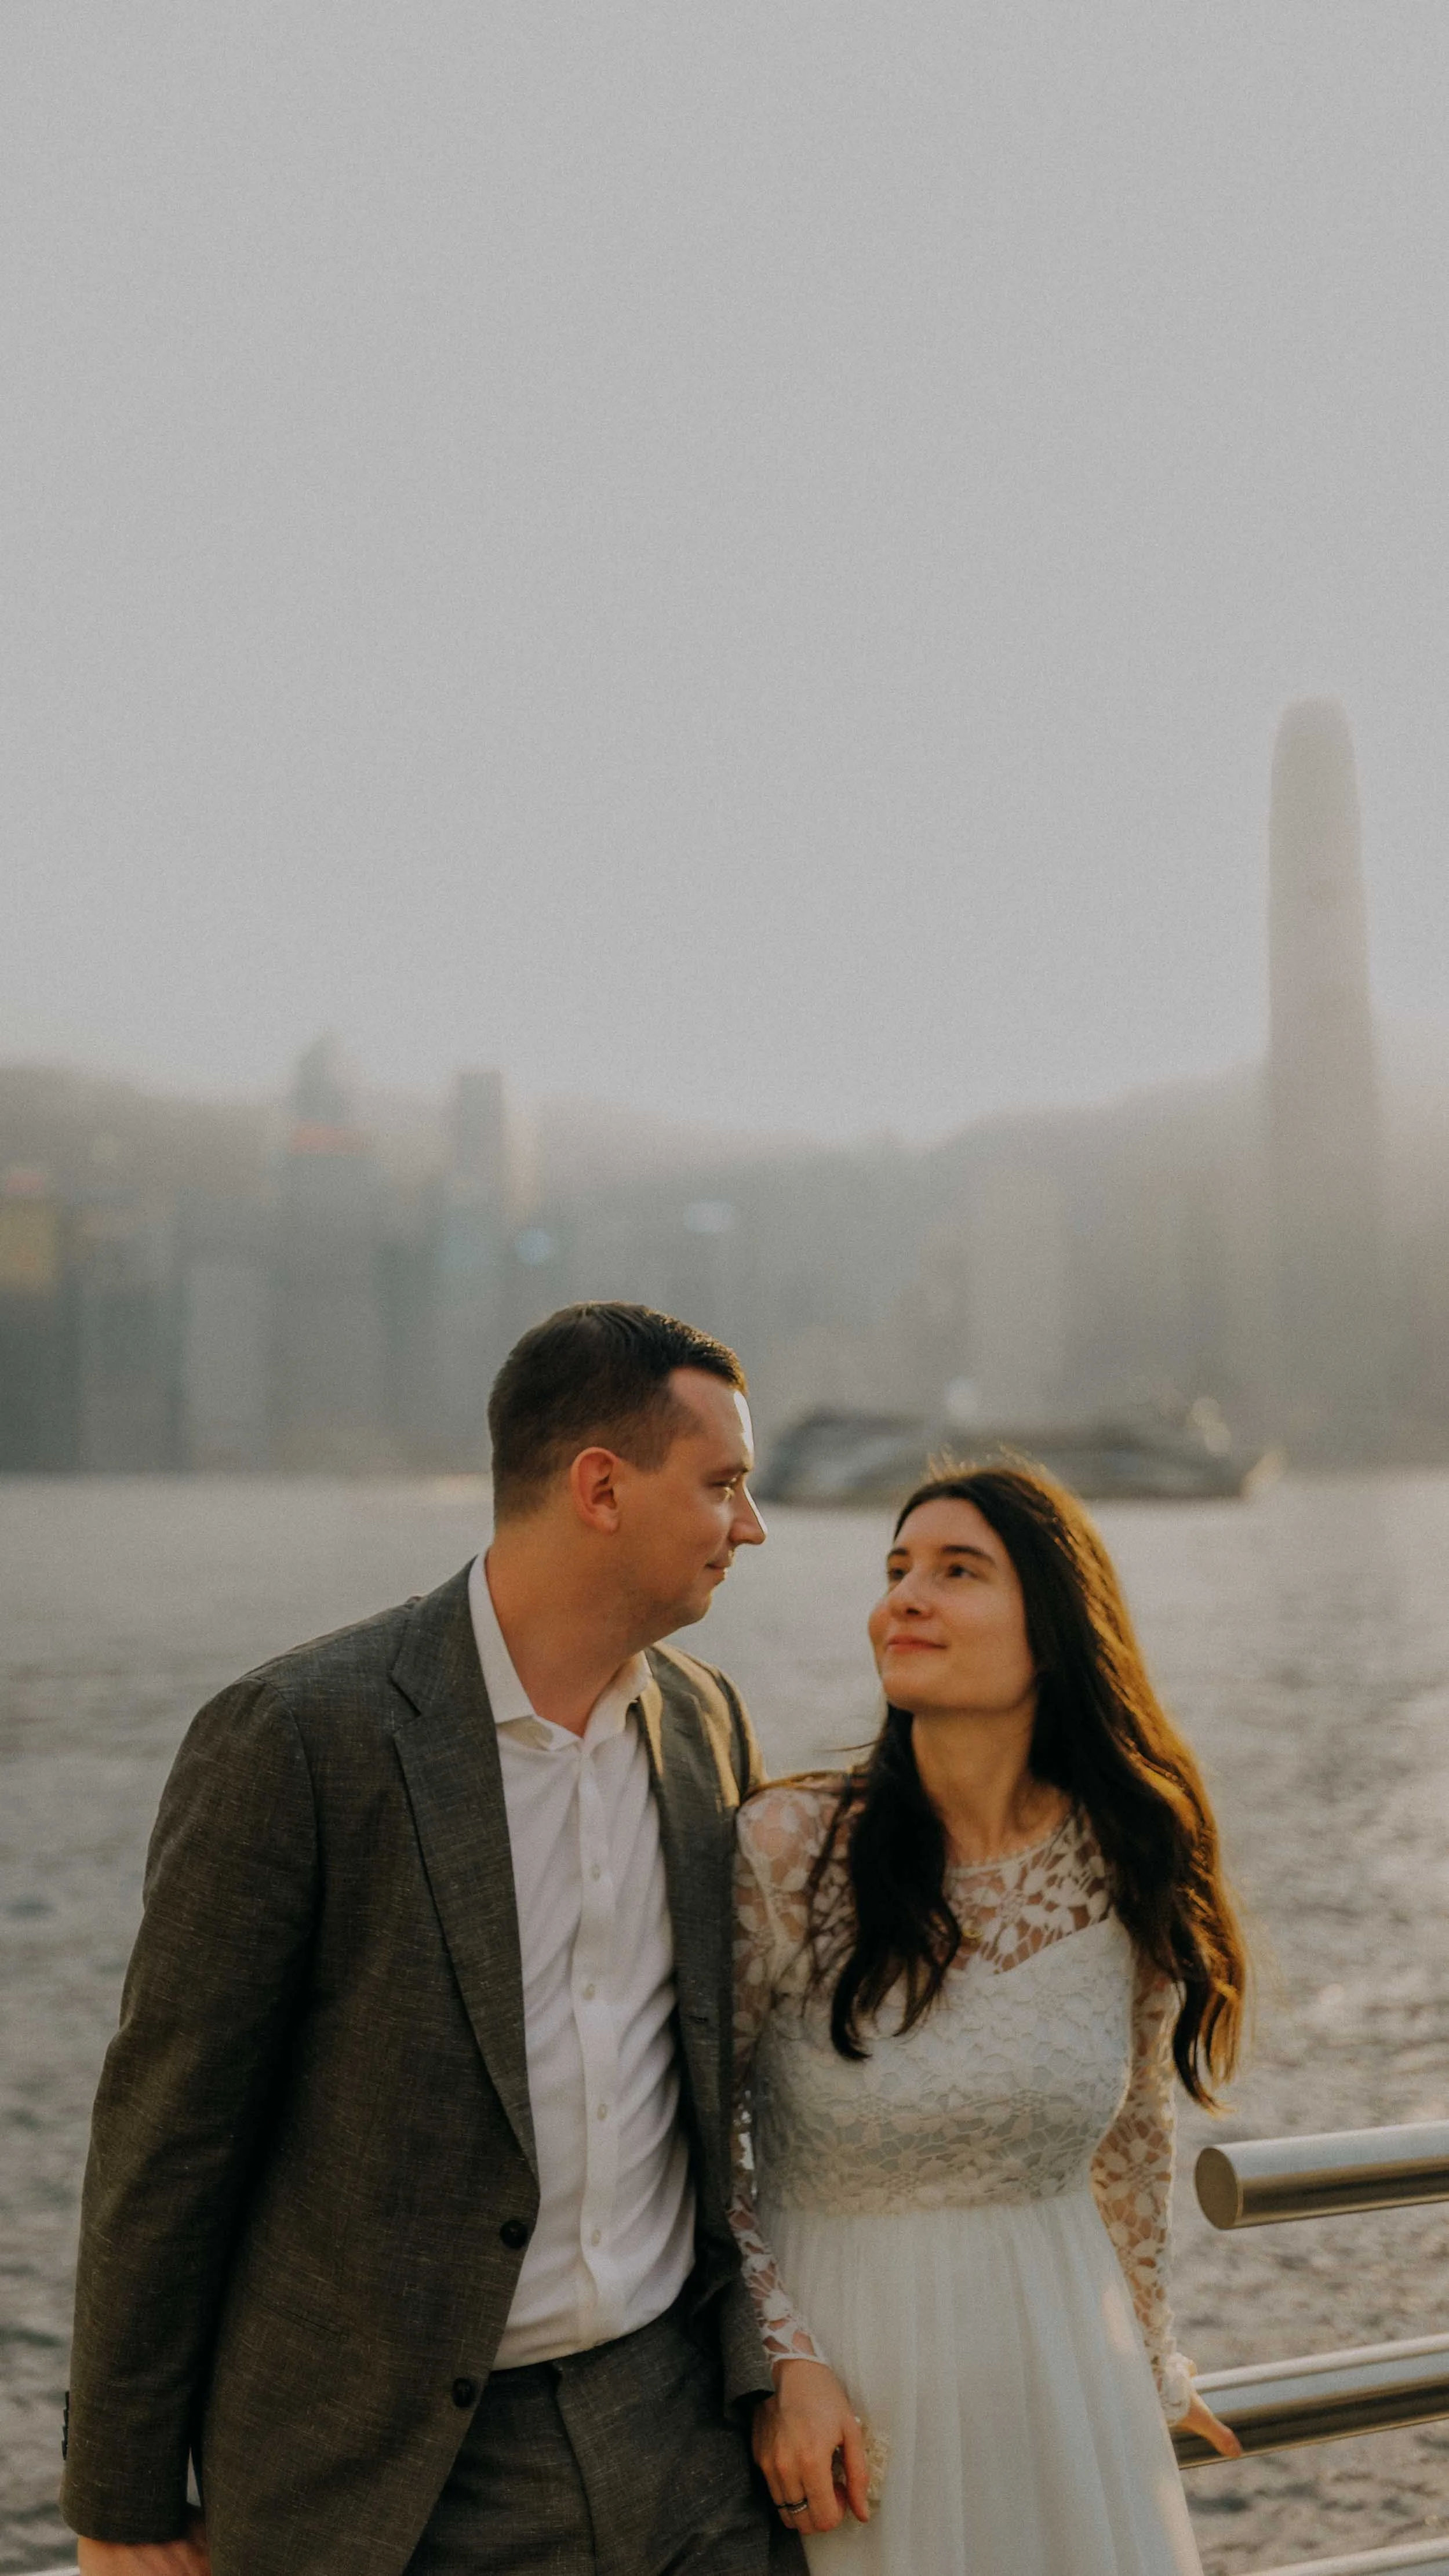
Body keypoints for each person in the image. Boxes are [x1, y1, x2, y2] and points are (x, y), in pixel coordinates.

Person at [61, 1302, 804, 2576]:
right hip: (401, 2482)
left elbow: (711, 2086)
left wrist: (766, 2361)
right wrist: (121, 2497)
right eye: (723, 1483)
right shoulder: (299, 1734)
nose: (750, 1523)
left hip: (680, 2441)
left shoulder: (705, 1723)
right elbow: (170, 2134)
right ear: (599, 1486)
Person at [731, 1464, 1248, 2575]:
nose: (906, 1597)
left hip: (1069, 2389)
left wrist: (1152, 2365)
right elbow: (690, 2136)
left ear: (1054, 1630)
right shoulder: (786, 1850)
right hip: (850, 2400)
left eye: (957, 1572)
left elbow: (1134, 2135)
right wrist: (779, 2362)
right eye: (897, 1570)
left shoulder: (1128, 1855)